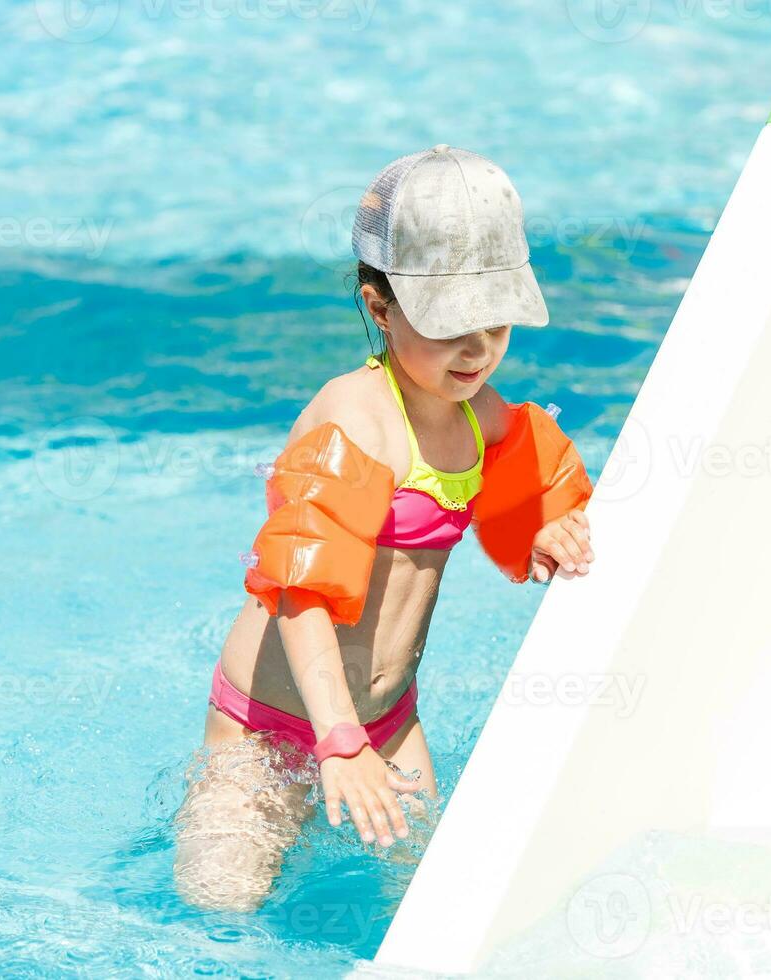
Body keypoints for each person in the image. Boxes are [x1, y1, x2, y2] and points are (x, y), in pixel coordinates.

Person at [172, 144, 595, 912]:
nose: (478, 349)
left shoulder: (480, 416)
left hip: (388, 720)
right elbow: (300, 594)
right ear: (380, 307)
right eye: (451, 324)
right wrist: (337, 742)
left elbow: (536, 473)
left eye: (496, 322)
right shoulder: (355, 419)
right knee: (218, 908)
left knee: (436, 908)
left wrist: (544, 527)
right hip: (271, 725)